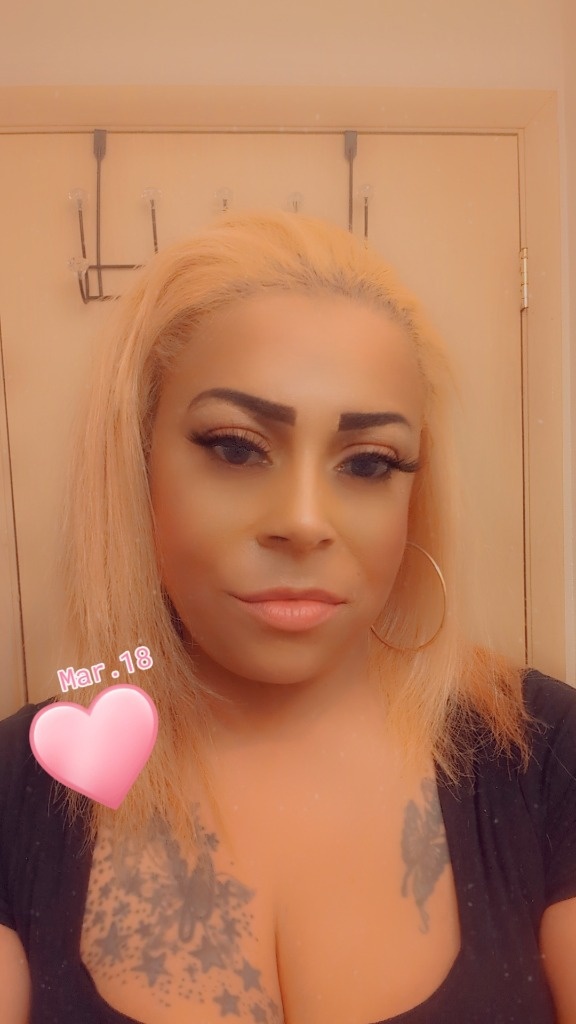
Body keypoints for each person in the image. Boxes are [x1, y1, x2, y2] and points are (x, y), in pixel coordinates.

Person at [0, 208, 575, 1024]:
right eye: (236, 447)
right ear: (137, 463)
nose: (304, 522)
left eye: (368, 463)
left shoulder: (547, 760)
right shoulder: (18, 789)